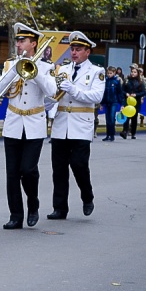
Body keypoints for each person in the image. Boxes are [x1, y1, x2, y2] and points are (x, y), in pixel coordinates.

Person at [0, 23, 57, 229]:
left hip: (34, 123)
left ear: (33, 43)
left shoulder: (47, 67)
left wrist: (34, 70)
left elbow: (51, 91)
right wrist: (15, 69)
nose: (19, 44)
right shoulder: (9, 65)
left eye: (23, 41)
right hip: (13, 122)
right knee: (12, 172)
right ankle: (15, 215)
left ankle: (33, 203)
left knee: (28, 169)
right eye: (18, 40)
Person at [48, 31, 105, 219]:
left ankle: (87, 196)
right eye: (72, 49)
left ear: (87, 51)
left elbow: (96, 96)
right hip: (61, 124)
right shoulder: (62, 70)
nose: (74, 52)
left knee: (79, 164)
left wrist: (73, 89)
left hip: (81, 125)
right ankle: (60, 208)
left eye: (78, 49)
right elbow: (52, 94)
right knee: (59, 169)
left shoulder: (96, 72)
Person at [120, 64, 145, 139]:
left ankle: (133, 132)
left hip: (136, 102)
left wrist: (136, 95)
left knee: (134, 118)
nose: (133, 73)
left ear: (137, 73)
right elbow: (122, 90)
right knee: (126, 117)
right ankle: (125, 131)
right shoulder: (127, 80)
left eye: (134, 72)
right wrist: (126, 94)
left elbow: (143, 92)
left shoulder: (140, 82)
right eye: (132, 72)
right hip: (127, 101)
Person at [101, 67, 124, 141]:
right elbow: (104, 93)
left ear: (114, 73)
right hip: (107, 102)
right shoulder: (105, 81)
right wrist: (101, 103)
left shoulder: (116, 81)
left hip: (114, 101)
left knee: (112, 118)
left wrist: (122, 104)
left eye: (111, 73)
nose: (109, 75)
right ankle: (108, 135)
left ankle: (112, 134)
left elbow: (119, 93)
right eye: (108, 73)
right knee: (107, 119)